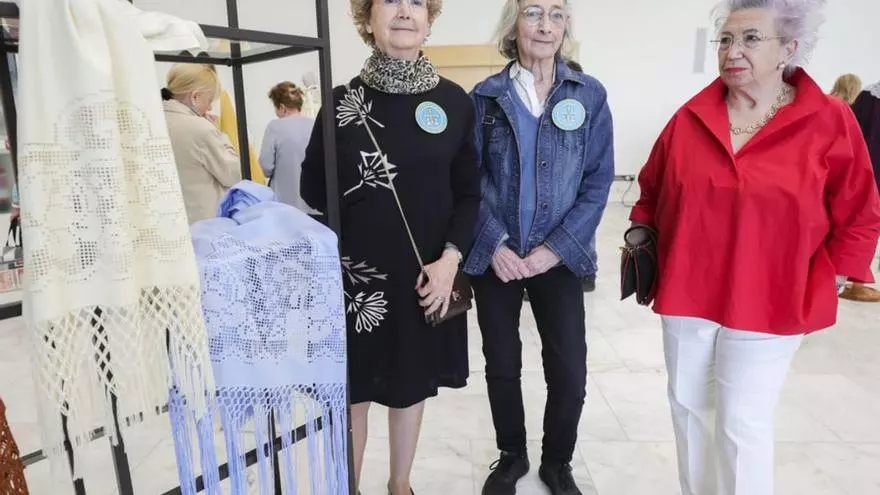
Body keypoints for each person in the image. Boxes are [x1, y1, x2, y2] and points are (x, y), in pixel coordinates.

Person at [628, 1, 880, 494]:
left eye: (750, 39)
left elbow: (859, 207)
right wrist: (640, 237)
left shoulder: (828, 119)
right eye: (725, 39)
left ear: (788, 48)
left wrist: (832, 275)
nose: (732, 51)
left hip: (772, 295)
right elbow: (652, 190)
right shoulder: (691, 117)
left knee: (741, 423)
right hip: (688, 289)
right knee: (689, 410)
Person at [300, 1, 481, 494]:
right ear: (368, 18)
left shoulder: (454, 102)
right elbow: (313, 188)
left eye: (417, 2)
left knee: (410, 386)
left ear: (429, 19)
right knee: (353, 391)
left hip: (426, 276)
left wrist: (450, 261)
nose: (405, 11)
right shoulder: (341, 103)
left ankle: (400, 484)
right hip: (356, 281)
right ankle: (350, 486)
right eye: (391, 0)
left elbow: (469, 194)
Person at [464, 1, 614, 494]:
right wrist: (494, 245)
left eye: (556, 14)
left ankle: (557, 461)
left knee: (569, 370)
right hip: (499, 257)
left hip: (560, 257)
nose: (545, 26)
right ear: (514, 25)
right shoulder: (483, 98)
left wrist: (556, 249)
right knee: (502, 363)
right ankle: (512, 455)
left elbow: (597, 182)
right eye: (533, 13)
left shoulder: (589, 95)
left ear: (566, 26)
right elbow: (467, 181)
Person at [161, 63, 241, 223]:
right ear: (195, 97)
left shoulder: (155, 121)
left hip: (170, 220)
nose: (210, 107)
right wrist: (219, 134)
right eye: (209, 100)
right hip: (203, 222)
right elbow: (234, 174)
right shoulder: (201, 129)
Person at [842, 80, 880, 302]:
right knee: (866, 224)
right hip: (868, 168)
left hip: (860, 166)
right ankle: (856, 283)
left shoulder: (868, 95)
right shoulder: (871, 95)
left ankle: (852, 278)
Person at [259, 81, 316, 213]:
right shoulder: (315, 125)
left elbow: (266, 167)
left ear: (282, 107)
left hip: (285, 206)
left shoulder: (274, 127)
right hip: (313, 206)